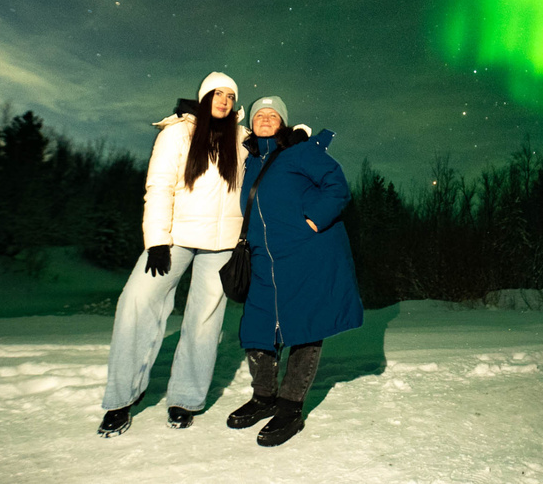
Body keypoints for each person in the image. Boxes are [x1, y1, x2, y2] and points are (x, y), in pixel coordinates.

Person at [97, 72, 247, 437]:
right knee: (136, 301)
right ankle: (120, 399)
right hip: (175, 238)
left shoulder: (242, 139)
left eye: (230, 96)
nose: (224, 100)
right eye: (217, 93)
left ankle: (185, 398)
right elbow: (159, 187)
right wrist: (156, 242)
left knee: (204, 321)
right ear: (204, 97)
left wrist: (299, 134)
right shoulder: (177, 133)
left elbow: (277, 138)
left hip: (222, 245)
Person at [226, 95, 363, 447]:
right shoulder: (251, 161)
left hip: (306, 254)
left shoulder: (300, 152)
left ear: (283, 122)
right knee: (257, 329)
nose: (265, 118)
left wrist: (313, 221)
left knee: (304, 326)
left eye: (273, 115)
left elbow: (337, 185)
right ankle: (263, 397)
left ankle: (290, 407)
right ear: (251, 123)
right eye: (259, 114)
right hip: (265, 260)